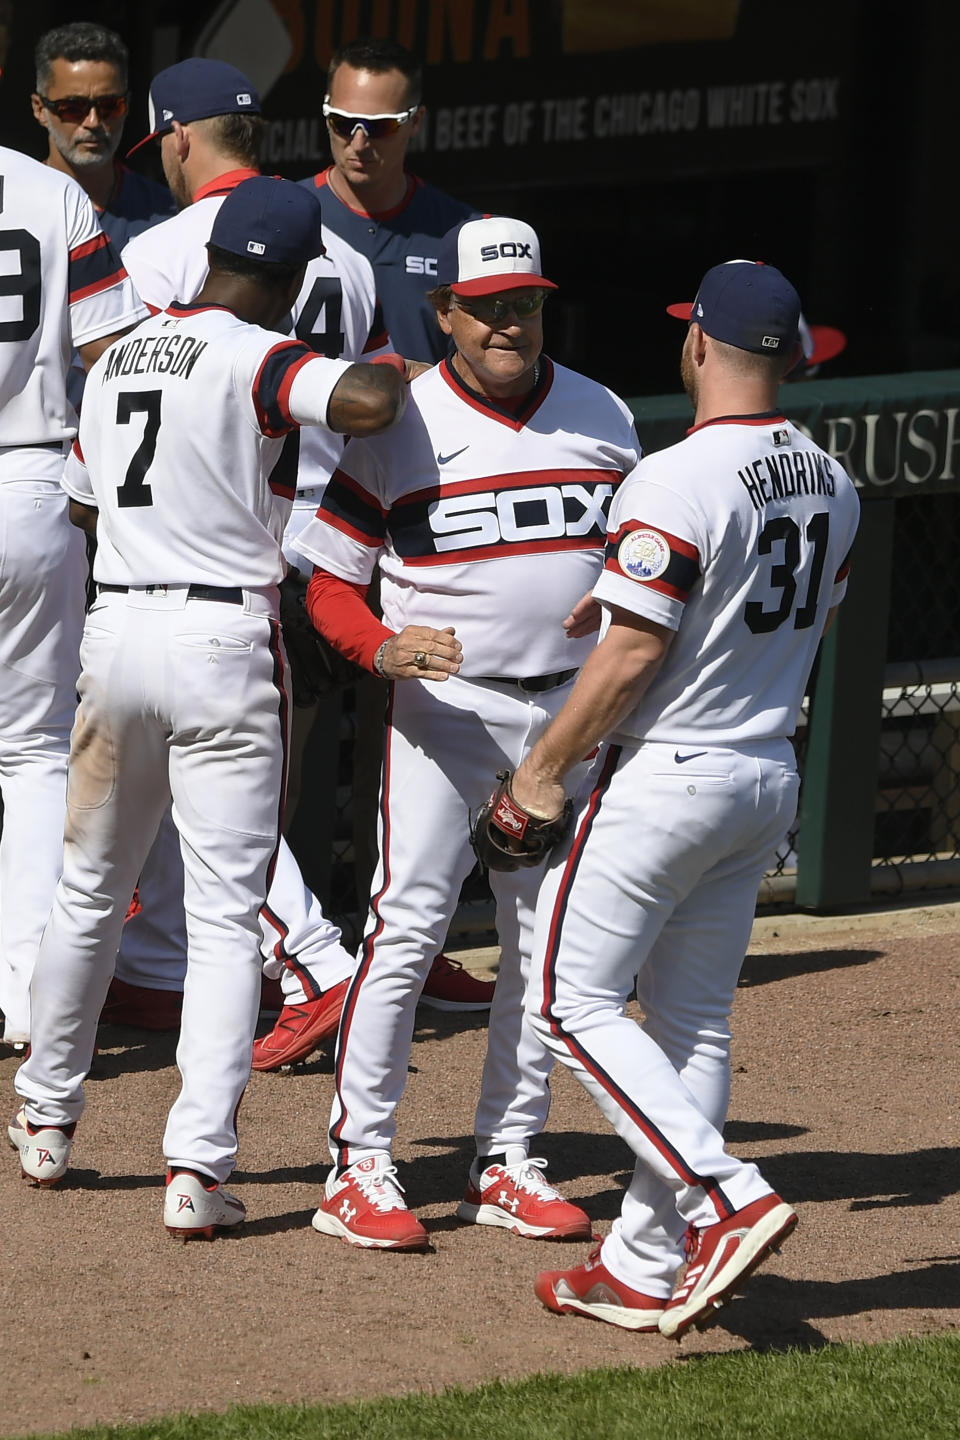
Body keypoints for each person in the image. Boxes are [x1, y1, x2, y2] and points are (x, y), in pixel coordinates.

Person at [9, 178, 406, 1239]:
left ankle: (45, 1119)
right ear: (283, 278)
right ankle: (196, 1170)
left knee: (88, 888)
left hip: (118, 632)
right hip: (223, 637)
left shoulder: (121, 352)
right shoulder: (256, 350)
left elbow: (88, 505)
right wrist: (399, 367)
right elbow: (363, 406)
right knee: (228, 918)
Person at [504, 260, 860, 1336]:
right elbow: (788, 621)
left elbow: (630, 661)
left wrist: (541, 770)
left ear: (700, 345)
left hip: (668, 778)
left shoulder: (673, 475)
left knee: (569, 1005)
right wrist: (623, 609)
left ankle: (723, 1198)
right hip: (764, 774)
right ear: (793, 359)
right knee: (693, 1023)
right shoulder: (833, 479)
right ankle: (643, 1265)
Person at [117, 56, 484, 1065]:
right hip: (336, 533)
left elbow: (129, 398)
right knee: (273, 779)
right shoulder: (347, 256)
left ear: (181, 140)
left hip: (227, 539)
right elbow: (372, 390)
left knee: (218, 784)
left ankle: (313, 966)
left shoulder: (162, 252)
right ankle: (186, 963)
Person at [294, 215, 641, 1250]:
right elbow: (329, 584)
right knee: (406, 929)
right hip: (449, 713)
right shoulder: (397, 421)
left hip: (568, 714)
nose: (508, 326)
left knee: (543, 944)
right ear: (444, 312)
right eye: (486, 309)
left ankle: (508, 1155)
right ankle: (357, 1165)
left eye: (525, 305)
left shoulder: (603, 412)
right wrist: (383, 650)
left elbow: (645, 558)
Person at [0, 141, 147, 1055]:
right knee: (30, 755)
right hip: (30, 480)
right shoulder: (51, 190)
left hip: (30, 474)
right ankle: (23, 992)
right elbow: (110, 352)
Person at [301, 37, 480, 364]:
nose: (358, 142)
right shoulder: (283, 216)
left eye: (379, 126)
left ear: (415, 121)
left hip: (424, 416)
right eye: (341, 122)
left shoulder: (464, 235)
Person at [31, 22, 174, 254]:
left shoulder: (166, 215)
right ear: (39, 110)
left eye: (109, 106)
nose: (93, 121)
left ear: (126, 106)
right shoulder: (13, 211)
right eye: (73, 108)